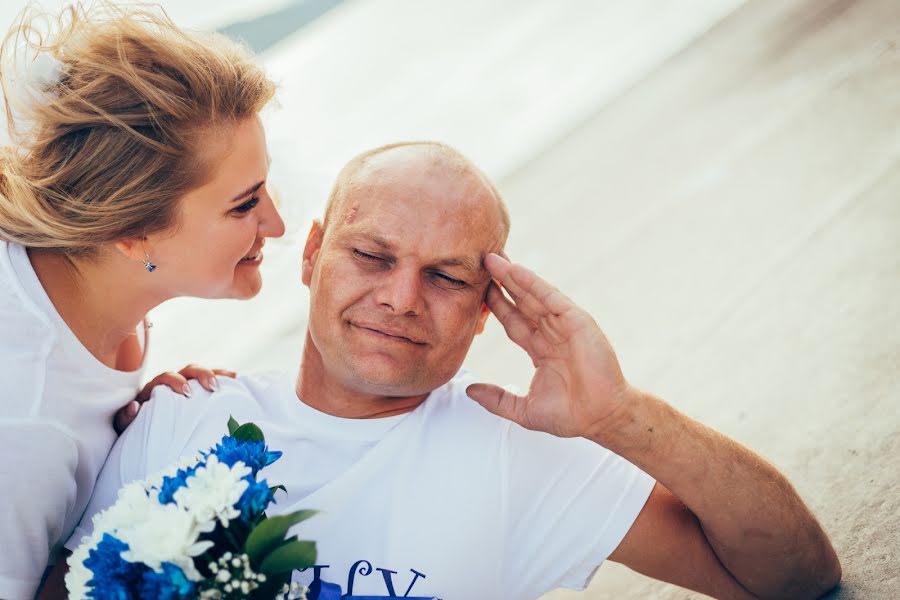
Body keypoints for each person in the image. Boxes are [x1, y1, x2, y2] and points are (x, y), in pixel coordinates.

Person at [61, 142, 840, 599]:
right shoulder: (181, 418)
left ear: (483, 308)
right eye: (371, 256)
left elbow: (795, 574)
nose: (400, 300)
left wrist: (621, 416)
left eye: (446, 277)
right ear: (312, 255)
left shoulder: (516, 452)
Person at [0, 3, 285, 598]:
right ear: (132, 233)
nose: (277, 223)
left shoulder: (84, 279)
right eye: (243, 205)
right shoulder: (24, 430)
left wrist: (140, 447)